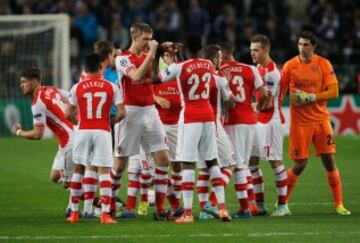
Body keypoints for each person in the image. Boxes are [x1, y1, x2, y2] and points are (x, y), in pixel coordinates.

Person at [159, 33, 231, 223]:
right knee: (212, 161)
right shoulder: (208, 65)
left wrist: (170, 55)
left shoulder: (178, 66)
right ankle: (223, 209)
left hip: (190, 116)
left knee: (187, 163)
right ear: (201, 48)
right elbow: (195, 68)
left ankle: (188, 214)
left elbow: (158, 78)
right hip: (208, 115)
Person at [282, 31, 351, 216]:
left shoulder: (323, 64)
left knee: (329, 161)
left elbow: (334, 92)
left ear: (313, 46)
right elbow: (281, 91)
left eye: (305, 44)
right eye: (299, 44)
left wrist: (311, 97)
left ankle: (339, 205)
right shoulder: (289, 66)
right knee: (300, 164)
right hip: (300, 123)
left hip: (321, 121)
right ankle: (282, 204)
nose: (301, 48)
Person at [113, 22, 171, 220]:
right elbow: (136, 76)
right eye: (144, 39)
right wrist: (152, 53)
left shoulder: (149, 55)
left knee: (163, 160)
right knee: (120, 165)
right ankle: (110, 204)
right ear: (134, 38)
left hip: (150, 111)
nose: (148, 42)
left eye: (150, 38)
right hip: (130, 113)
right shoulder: (122, 58)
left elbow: (154, 79)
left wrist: (167, 51)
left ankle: (161, 209)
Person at [65, 53, 126, 224]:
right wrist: (112, 121)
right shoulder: (111, 86)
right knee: (104, 172)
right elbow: (122, 112)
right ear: (101, 68)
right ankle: (106, 214)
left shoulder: (77, 87)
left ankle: (75, 213)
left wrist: (79, 121)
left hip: (83, 130)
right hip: (102, 131)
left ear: (84, 68)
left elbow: (68, 113)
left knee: (78, 169)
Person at [11, 67, 74, 214]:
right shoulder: (51, 89)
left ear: (34, 82)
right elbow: (71, 98)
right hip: (69, 137)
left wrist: (19, 132)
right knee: (55, 176)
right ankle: (75, 205)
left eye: (24, 81)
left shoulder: (37, 102)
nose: (21, 85)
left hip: (69, 141)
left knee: (67, 182)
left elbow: (38, 134)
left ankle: (98, 205)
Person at [219, 42, 267, 219]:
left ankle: (244, 209)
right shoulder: (250, 69)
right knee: (244, 164)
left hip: (233, 121)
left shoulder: (220, 71)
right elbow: (263, 94)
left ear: (223, 54)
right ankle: (252, 204)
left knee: (238, 166)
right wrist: (256, 108)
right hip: (250, 121)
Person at [248, 34, 290, 216]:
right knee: (252, 163)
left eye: (256, 50)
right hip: (259, 121)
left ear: (266, 50)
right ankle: (260, 204)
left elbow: (268, 103)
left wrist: (250, 107)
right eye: (251, 50)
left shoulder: (273, 73)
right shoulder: (258, 68)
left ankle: (282, 206)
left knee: (275, 162)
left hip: (271, 121)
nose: (252, 53)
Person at [197, 44, 236, 220]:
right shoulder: (219, 78)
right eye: (219, 57)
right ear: (213, 59)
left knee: (205, 169)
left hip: (195, 126)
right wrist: (228, 84)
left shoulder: (196, 75)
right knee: (230, 163)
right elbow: (231, 102)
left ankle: (204, 211)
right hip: (214, 125)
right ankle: (212, 203)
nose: (221, 60)